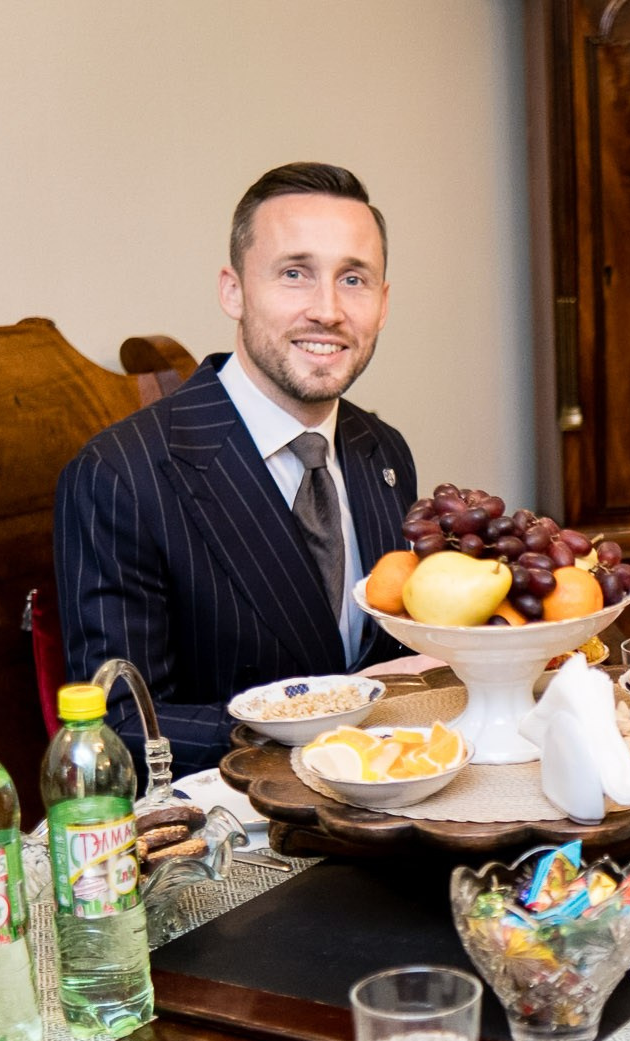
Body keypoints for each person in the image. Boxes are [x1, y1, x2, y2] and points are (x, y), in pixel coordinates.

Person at [55, 162, 418, 773]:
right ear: (233, 290)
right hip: (235, 836)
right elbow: (119, 730)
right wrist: (325, 732)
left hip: (390, 807)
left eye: (353, 279)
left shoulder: (384, 450)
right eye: (295, 274)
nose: (327, 309)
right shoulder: (121, 475)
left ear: (382, 305)